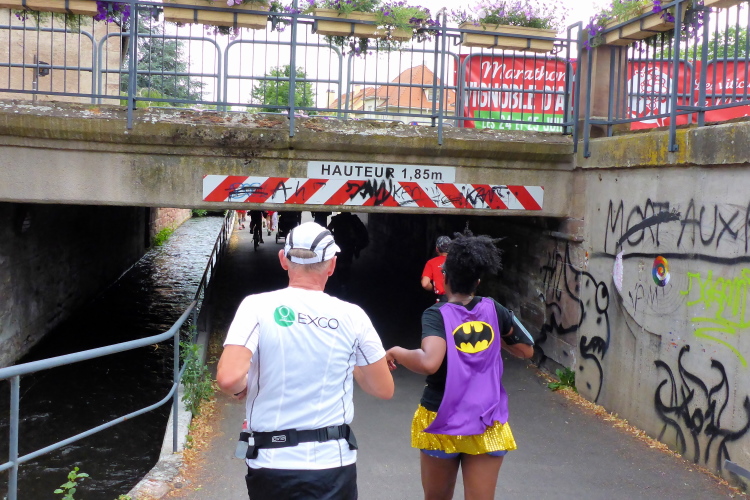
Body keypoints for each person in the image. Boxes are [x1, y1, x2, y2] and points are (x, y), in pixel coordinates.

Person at [216, 221, 394, 500]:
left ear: (283, 260)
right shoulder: (353, 316)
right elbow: (383, 388)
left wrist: (242, 387)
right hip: (333, 464)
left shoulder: (256, 306)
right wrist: (350, 361)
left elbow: (229, 379)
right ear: (332, 265)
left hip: (272, 462)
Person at [385, 231, 534, 500]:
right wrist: (493, 337)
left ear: (445, 278)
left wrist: (397, 352)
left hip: (441, 416)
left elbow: (429, 362)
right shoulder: (494, 309)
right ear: (478, 281)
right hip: (485, 418)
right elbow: (526, 349)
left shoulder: (437, 314)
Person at [327, 212, 369, 294]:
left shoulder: (337, 219)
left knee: (340, 263)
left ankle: (342, 283)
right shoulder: (353, 219)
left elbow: (328, 229)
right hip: (349, 244)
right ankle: (344, 284)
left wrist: (334, 234)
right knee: (346, 263)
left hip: (340, 244)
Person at [421, 235, 451, 302]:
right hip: (458, 301)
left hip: (442, 301)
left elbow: (425, 284)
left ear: (437, 249)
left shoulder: (431, 263)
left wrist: (434, 288)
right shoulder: (457, 261)